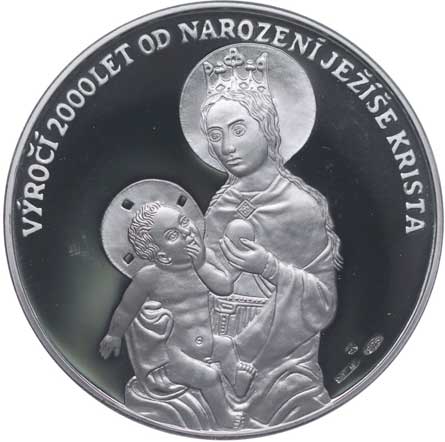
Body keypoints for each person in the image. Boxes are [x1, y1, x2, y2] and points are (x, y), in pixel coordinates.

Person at [199, 49, 342, 426]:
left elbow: (322, 302)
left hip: (280, 369)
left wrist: (268, 267)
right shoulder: (220, 206)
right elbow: (204, 283)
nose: (227, 147)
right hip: (214, 359)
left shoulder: (302, 206)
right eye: (215, 135)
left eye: (238, 129)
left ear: (267, 126)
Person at [99, 200, 255, 429]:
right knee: (209, 377)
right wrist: (114, 335)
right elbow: (126, 308)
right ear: (162, 256)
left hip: (205, 343)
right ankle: (224, 418)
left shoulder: (206, 259)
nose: (186, 231)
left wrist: (200, 265)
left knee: (226, 346)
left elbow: (224, 287)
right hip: (173, 354)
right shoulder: (149, 277)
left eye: (183, 221)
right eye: (172, 235)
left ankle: (237, 385)